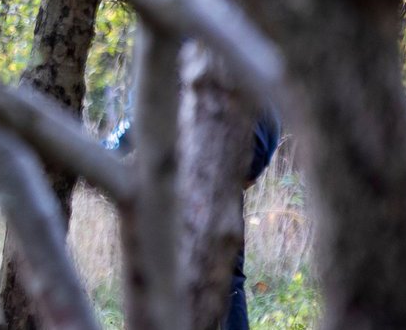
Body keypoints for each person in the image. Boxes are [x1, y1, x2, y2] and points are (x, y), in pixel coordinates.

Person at [106, 110, 281, 330]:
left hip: (197, 166)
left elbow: (141, 117)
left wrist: (104, 151)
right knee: (227, 277)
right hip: (230, 164)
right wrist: (255, 166)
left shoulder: (184, 78)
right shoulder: (251, 83)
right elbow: (270, 119)